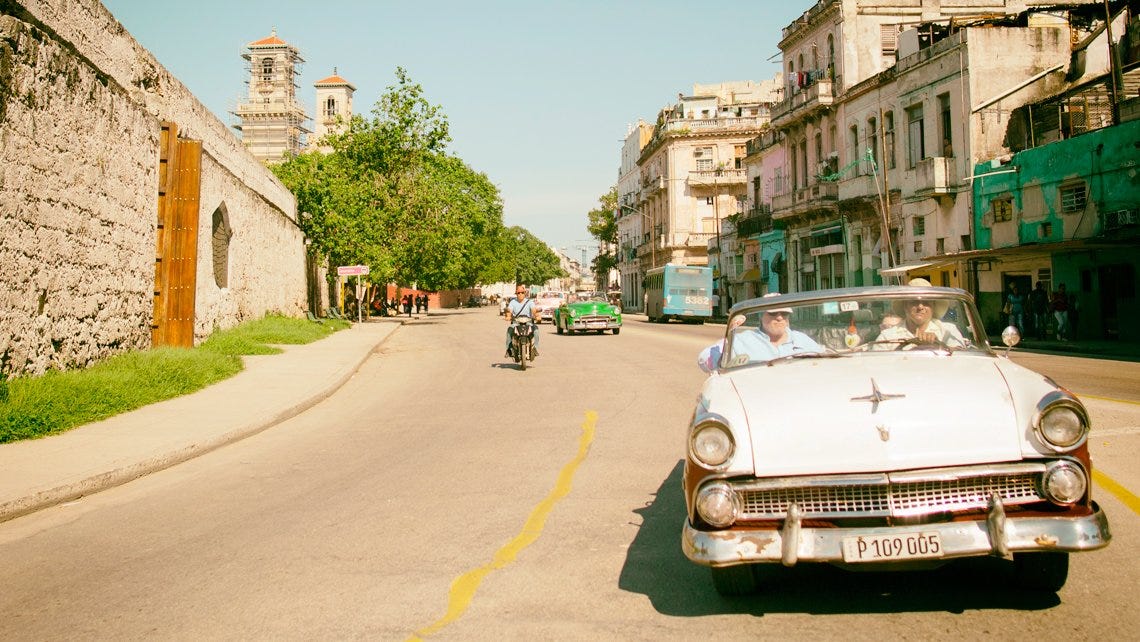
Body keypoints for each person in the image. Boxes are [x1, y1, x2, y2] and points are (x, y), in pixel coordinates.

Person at [698, 295, 822, 371]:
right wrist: (722, 356)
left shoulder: (802, 340)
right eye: (773, 313)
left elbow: (823, 364)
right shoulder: (742, 341)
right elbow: (705, 359)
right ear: (761, 316)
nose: (779, 318)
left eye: (784, 314)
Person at [875, 278, 965, 348]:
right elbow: (877, 365)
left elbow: (961, 359)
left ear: (933, 307)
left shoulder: (947, 331)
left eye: (926, 302)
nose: (920, 307)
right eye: (914, 302)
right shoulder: (888, 336)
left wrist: (937, 345)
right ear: (905, 306)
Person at [505, 286, 540, 358]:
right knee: (509, 330)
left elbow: (534, 310)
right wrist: (508, 316)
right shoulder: (513, 302)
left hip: (528, 322)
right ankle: (509, 349)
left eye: (522, 292)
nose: (520, 294)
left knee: (536, 330)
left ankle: (535, 348)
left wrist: (537, 316)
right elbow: (509, 311)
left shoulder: (530, 302)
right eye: (518, 293)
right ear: (516, 294)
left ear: (525, 293)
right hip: (516, 322)